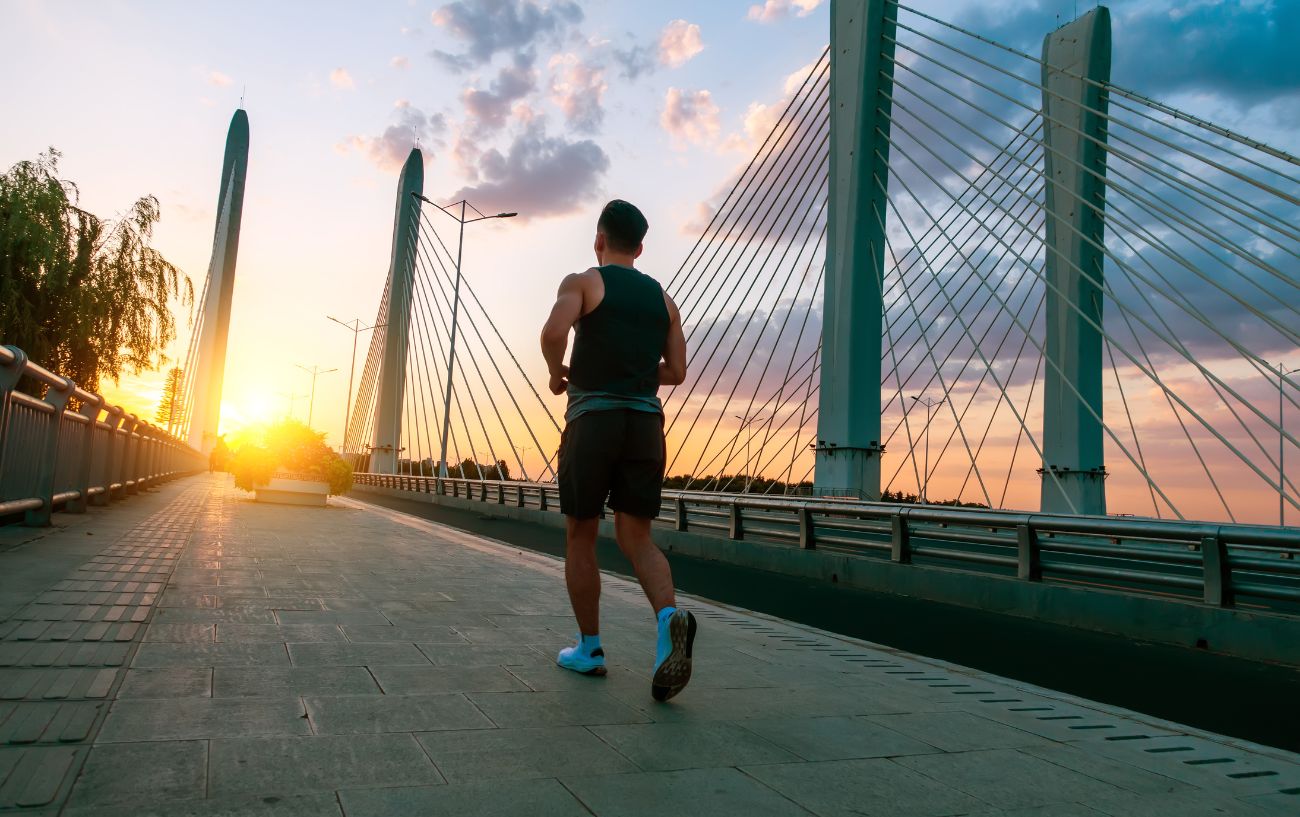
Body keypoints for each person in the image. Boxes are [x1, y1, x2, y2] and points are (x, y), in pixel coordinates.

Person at [540, 199, 696, 702]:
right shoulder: (663, 300)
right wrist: (633, 372)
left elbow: (553, 332)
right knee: (637, 537)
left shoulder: (584, 281)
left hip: (594, 422)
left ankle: (590, 650)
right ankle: (669, 618)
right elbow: (675, 373)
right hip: (646, 426)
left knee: (581, 535)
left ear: (599, 239)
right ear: (642, 246)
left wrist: (557, 371)